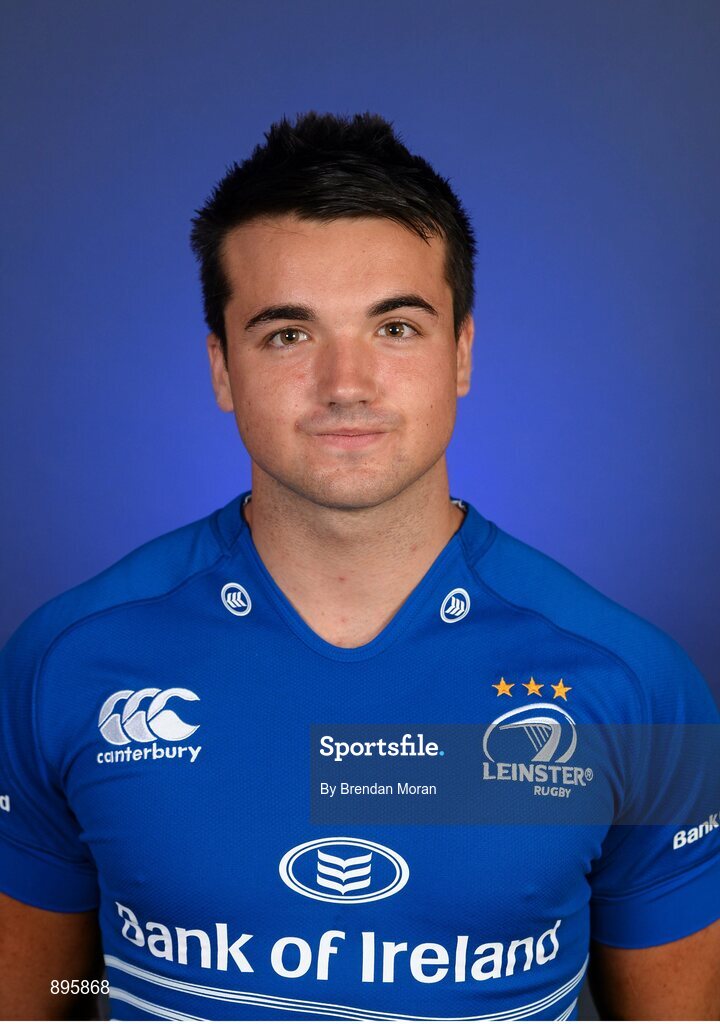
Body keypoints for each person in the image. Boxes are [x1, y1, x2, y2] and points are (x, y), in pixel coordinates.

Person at [1, 112, 719, 1023]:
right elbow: (50, 999)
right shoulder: (65, 662)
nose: (346, 382)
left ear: (462, 351)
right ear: (222, 368)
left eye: (396, 327)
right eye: (288, 334)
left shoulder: (635, 685)